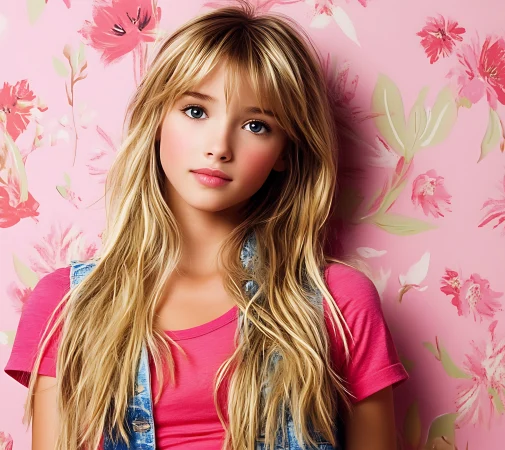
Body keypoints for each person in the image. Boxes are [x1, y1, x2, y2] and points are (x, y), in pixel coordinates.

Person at [4, 3, 409, 449]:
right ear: (157, 119)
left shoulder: (336, 303)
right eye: (196, 111)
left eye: (257, 125)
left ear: (286, 154)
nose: (219, 147)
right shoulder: (68, 305)